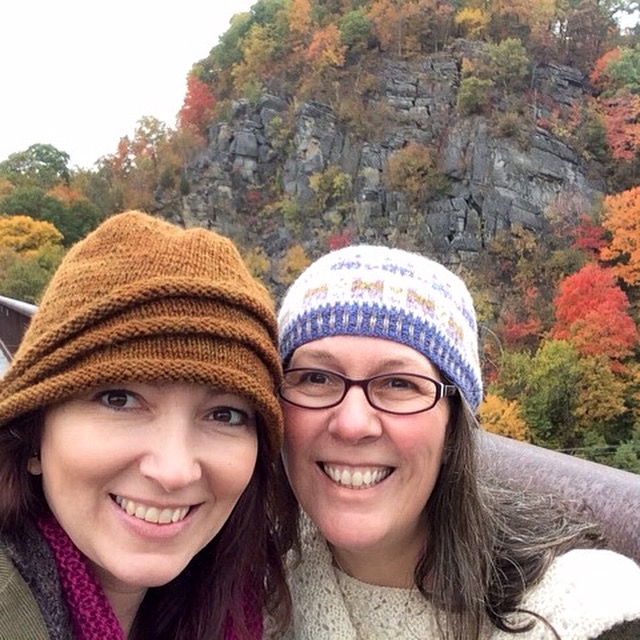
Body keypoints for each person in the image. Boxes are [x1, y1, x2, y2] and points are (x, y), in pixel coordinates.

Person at [275, 244, 640, 640]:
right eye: (316, 378)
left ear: (453, 431)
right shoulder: (251, 575)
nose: (352, 424)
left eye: (399, 383)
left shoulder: (574, 605)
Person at [0, 211, 294, 639]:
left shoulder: (244, 608)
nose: (173, 471)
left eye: (224, 414)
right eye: (119, 399)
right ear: (32, 436)